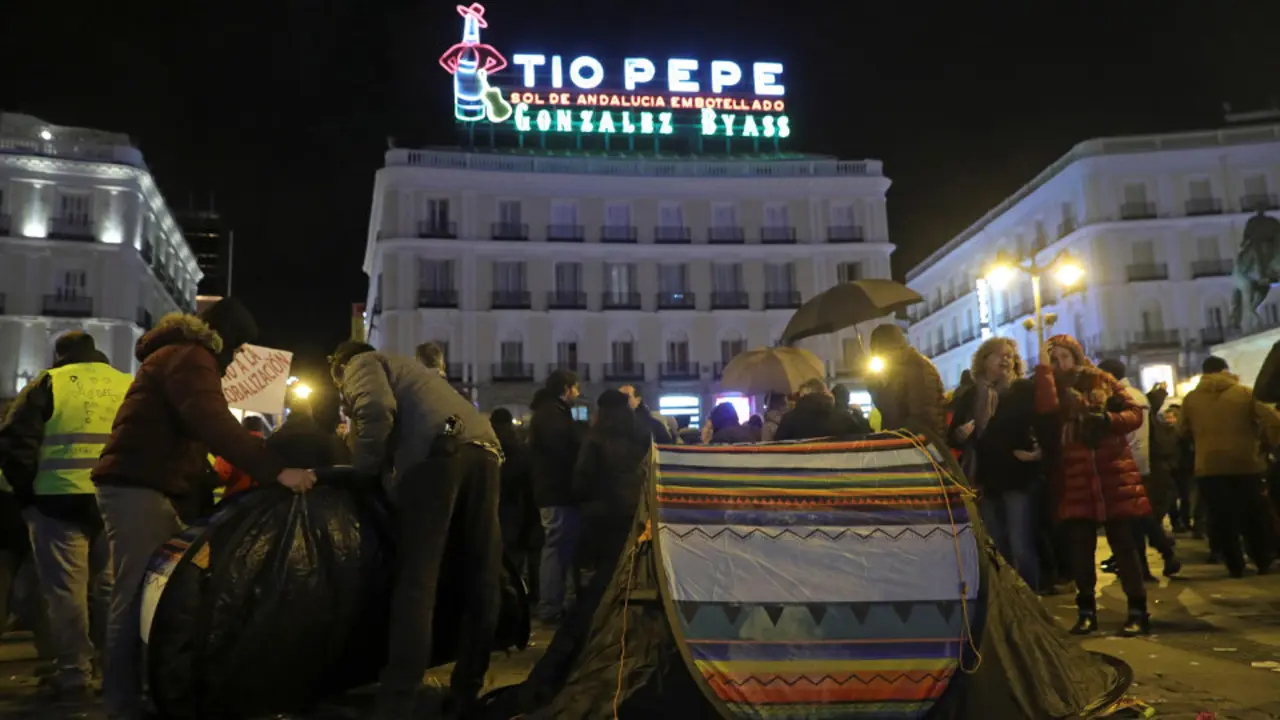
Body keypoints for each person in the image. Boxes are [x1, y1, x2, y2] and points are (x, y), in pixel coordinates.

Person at [91, 299, 316, 719]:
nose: (234, 362)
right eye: (237, 349)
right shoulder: (191, 357)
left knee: (147, 594)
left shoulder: (178, 353)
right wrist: (276, 471)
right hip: (140, 486)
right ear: (226, 338)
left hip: (148, 485)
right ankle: (123, 704)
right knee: (135, 592)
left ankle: (141, 693)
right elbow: (211, 420)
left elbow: (188, 436)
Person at [329, 340, 503, 718]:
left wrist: (363, 467)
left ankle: (398, 696)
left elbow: (375, 410)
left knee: (417, 582)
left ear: (341, 367)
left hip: (436, 458)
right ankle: (467, 687)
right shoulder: (413, 371)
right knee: (481, 575)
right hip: (485, 451)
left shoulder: (362, 362)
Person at [0, 332, 126, 700]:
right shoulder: (127, 384)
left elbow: (14, 442)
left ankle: (74, 673)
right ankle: (113, 668)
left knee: (66, 592)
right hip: (113, 499)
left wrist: (27, 497)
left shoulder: (47, 383)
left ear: (60, 354)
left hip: (57, 499)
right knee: (110, 590)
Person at [1033, 334, 1151, 636]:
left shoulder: (1101, 380)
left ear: (1076, 355)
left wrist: (1109, 420)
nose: (1059, 360)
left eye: (1062, 354)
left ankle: (1137, 609)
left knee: (1124, 546)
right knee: (1080, 550)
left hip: (1112, 473)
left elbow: (1135, 413)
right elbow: (1047, 410)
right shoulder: (1051, 388)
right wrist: (1044, 370)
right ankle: (1086, 611)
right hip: (1077, 476)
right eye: (1052, 356)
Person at [949, 337, 1042, 590]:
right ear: (984, 360)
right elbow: (953, 436)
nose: (1005, 359)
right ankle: (1007, 598)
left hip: (1016, 476)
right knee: (997, 544)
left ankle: (1029, 598)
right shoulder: (972, 395)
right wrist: (961, 433)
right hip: (986, 480)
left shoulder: (1023, 389)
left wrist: (1036, 453)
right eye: (999, 355)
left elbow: (1040, 425)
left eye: (1010, 355)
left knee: (1020, 543)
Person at [1178, 355, 1280, 577]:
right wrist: (1266, 442)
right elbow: (1272, 420)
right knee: (1253, 513)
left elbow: (1182, 430)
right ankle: (1262, 558)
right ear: (1226, 370)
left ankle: (1234, 563)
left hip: (1208, 466)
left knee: (1221, 516)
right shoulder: (1244, 394)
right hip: (1246, 463)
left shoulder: (1191, 399)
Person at [1095, 360, 1181, 580]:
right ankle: (1152, 561)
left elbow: (1136, 437)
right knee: (1137, 518)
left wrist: (1135, 466)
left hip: (1131, 467)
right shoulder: (1132, 395)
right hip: (1134, 466)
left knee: (1137, 518)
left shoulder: (1126, 397)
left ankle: (1157, 558)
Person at [571, 390, 652, 588]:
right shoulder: (641, 435)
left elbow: (583, 477)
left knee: (604, 570)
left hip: (602, 512)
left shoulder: (596, 438)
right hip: (633, 509)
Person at [528, 371, 583, 624]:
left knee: (559, 548)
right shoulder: (552, 415)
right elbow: (562, 453)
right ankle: (550, 606)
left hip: (555, 491)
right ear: (566, 388)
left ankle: (554, 602)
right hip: (556, 492)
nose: (578, 393)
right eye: (576, 388)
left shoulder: (551, 412)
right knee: (556, 548)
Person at [868, 324, 947, 442]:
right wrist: (874, 387)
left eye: (879, 352)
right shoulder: (896, 371)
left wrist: (899, 438)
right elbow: (889, 412)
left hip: (922, 446)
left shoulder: (918, 368)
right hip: (904, 444)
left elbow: (923, 416)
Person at [491, 407, 539, 598]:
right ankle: (530, 593)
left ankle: (507, 593)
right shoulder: (520, 447)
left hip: (504, 506)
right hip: (523, 506)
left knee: (507, 556)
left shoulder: (491, 446)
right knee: (526, 555)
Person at [775, 378, 871, 441]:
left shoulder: (788, 420)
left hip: (798, 471)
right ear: (825, 393)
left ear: (802, 395)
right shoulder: (843, 418)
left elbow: (777, 447)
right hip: (838, 470)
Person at [212, 415, 270, 497]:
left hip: (236, 502)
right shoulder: (270, 448)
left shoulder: (232, 447)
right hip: (264, 503)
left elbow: (221, 475)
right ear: (261, 429)